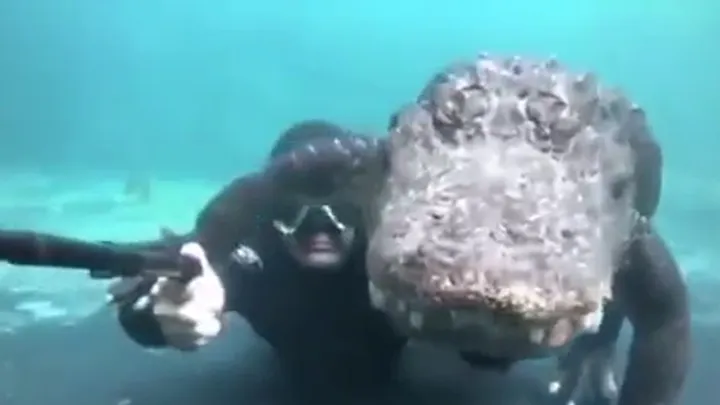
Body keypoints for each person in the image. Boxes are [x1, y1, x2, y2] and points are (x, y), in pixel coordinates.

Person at [108, 120, 407, 401]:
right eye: (294, 210)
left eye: (339, 209)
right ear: (269, 208)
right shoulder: (252, 257)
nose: (319, 228)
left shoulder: (397, 248)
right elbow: (173, 280)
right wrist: (158, 313)